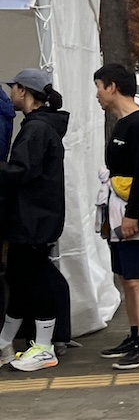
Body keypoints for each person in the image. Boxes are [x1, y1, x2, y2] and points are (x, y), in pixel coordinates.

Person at [94, 62, 139, 371]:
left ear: (112, 87)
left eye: (99, 87)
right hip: (117, 208)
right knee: (125, 277)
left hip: (133, 211)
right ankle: (135, 336)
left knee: (138, 278)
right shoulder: (122, 123)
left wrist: (132, 214)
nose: (97, 94)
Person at [0, 68, 70, 374]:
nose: (10, 94)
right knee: (19, 279)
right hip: (34, 217)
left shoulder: (37, 129)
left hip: (34, 219)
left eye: (13, 88)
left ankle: (44, 347)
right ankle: (5, 341)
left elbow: (20, 171)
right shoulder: (40, 125)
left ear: (24, 91)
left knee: (35, 281)